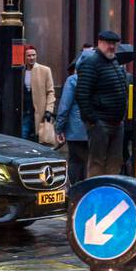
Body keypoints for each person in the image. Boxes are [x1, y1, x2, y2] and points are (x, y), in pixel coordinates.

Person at [75, 29, 129, 178]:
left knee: (115, 161)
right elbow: (82, 94)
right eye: (108, 43)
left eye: (114, 43)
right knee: (97, 163)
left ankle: (110, 192)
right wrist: (93, 120)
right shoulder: (91, 63)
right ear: (99, 43)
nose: (111, 46)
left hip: (116, 122)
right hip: (101, 122)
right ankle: (96, 194)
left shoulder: (113, 61)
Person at [54, 57, 89, 187]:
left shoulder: (73, 80)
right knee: (90, 162)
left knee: (75, 161)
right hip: (95, 128)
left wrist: (59, 128)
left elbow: (64, 106)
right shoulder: (98, 79)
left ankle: (75, 191)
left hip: (76, 130)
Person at [22, 45, 57, 143]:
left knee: (39, 138)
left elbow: (50, 92)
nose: (32, 58)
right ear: (24, 56)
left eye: (34, 55)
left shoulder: (45, 70)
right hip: (25, 110)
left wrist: (49, 110)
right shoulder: (21, 71)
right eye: (29, 56)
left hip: (39, 111)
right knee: (23, 137)